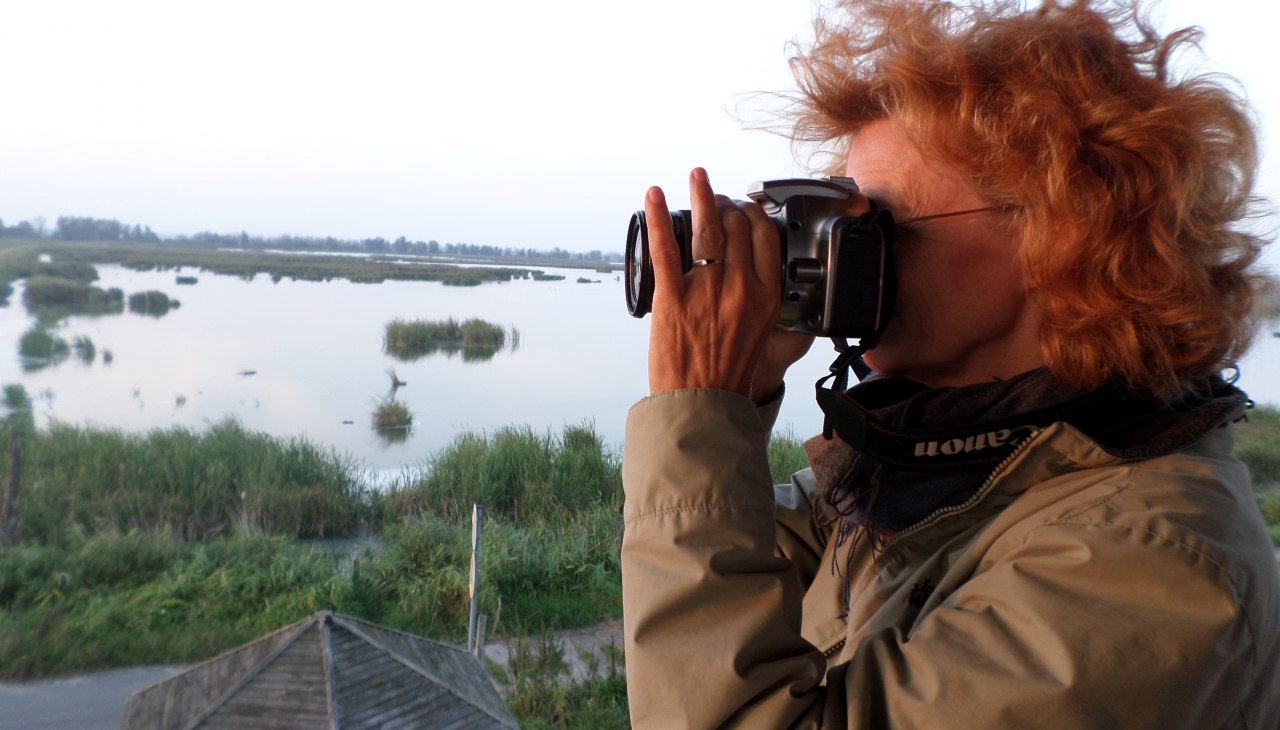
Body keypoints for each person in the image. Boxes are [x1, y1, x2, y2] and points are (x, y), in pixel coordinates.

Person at [619, 1, 1280, 727]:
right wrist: (735, 400)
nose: (841, 257)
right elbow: (742, 568)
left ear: (1056, 240)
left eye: (879, 229)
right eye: (838, 224)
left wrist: (696, 408)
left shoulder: (1150, 570)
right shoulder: (955, 457)